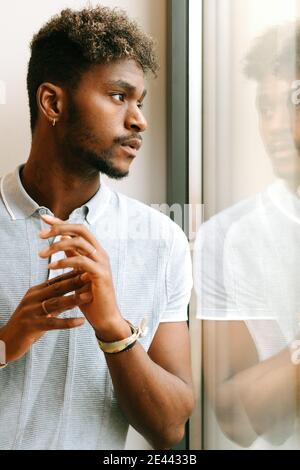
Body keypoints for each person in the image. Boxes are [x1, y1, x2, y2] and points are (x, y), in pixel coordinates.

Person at [0, 5, 194, 450]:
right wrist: (8, 343)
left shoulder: (161, 242)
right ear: (53, 102)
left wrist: (113, 328)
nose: (139, 120)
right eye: (118, 96)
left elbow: (170, 430)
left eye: (139, 101)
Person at [194, 21, 300, 449]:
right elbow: (233, 416)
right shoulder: (226, 236)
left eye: (293, 103)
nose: (274, 125)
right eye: (264, 107)